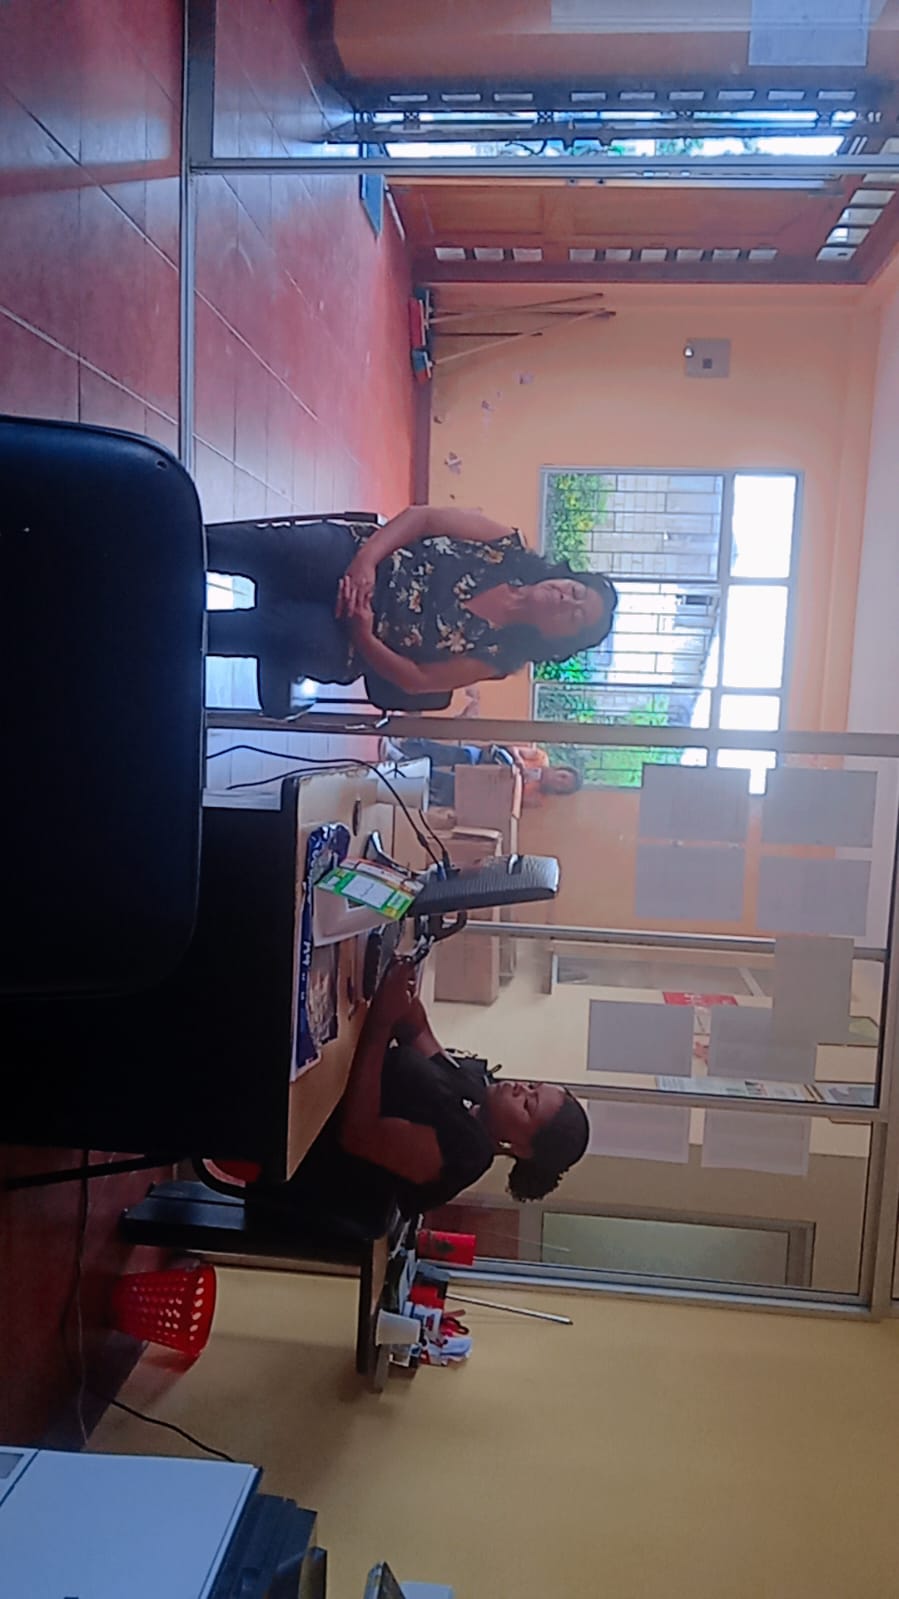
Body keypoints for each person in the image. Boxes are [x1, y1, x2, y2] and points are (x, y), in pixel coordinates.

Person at [255, 960, 589, 1228]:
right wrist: (405, 984)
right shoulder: (477, 1090)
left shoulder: (466, 1155)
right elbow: (419, 1033)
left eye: (528, 1104)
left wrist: (381, 1023)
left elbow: (359, 1133)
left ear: (521, 1148)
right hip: (320, 1072)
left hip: (295, 1129)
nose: (520, 1088)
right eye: (532, 1086)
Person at [205, 505, 617, 715]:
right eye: (576, 591)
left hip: (353, 643)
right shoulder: (506, 547)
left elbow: (419, 680)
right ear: (566, 577)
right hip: (357, 558)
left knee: (281, 632)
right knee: (276, 550)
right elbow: (423, 519)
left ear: (558, 639)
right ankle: (175, 540)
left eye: (576, 615)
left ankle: (174, 625)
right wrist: (366, 563)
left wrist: (363, 633)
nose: (567, 600)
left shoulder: (500, 656)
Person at [382, 736, 582, 811]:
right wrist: (519, 763)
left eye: (562, 786)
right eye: (563, 777)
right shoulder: (540, 757)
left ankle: (401, 766)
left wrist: (519, 780)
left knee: (453, 785)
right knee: (461, 754)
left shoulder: (539, 799)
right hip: (486, 759)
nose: (559, 781)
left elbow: (511, 801)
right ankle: (405, 747)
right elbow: (512, 748)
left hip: (487, 785)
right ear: (561, 769)